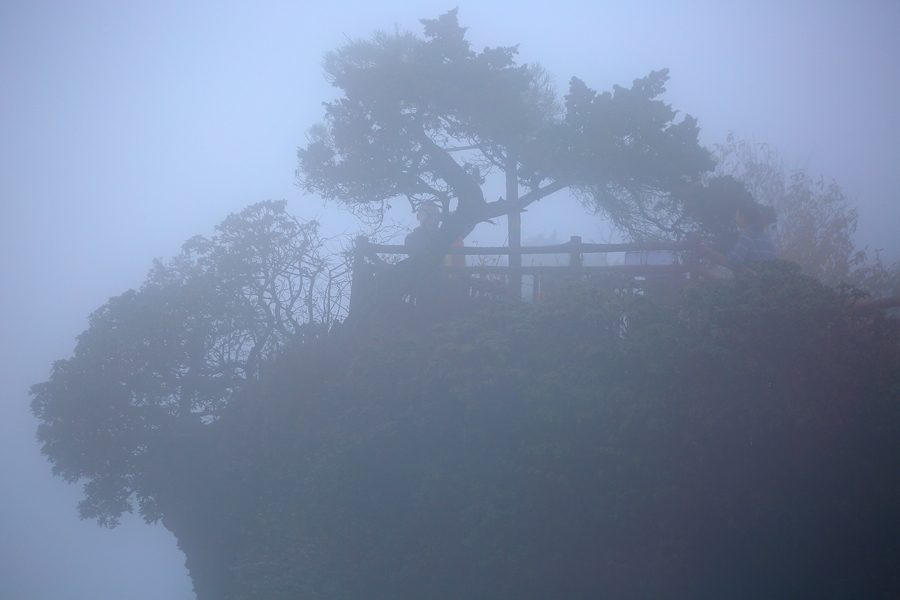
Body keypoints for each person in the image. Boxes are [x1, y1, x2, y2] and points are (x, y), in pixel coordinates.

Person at [728, 200, 777, 270]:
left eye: (737, 215)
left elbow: (735, 260)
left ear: (743, 217)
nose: (736, 219)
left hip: (756, 276)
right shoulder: (766, 237)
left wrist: (726, 256)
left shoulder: (747, 235)